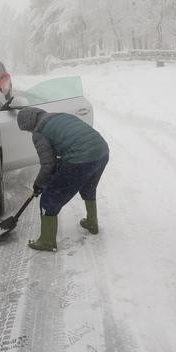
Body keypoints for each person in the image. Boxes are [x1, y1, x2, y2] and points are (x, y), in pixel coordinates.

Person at [17, 107, 110, 252]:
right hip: (102, 151)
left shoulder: (39, 132)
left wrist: (39, 185)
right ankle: (92, 222)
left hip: (81, 158)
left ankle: (47, 241)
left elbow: (48, 164)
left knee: (49, 199)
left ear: (29, 125)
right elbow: (65, 146)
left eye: (27, 130)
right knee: (88, 187)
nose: (29, 132)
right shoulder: (59, 115)